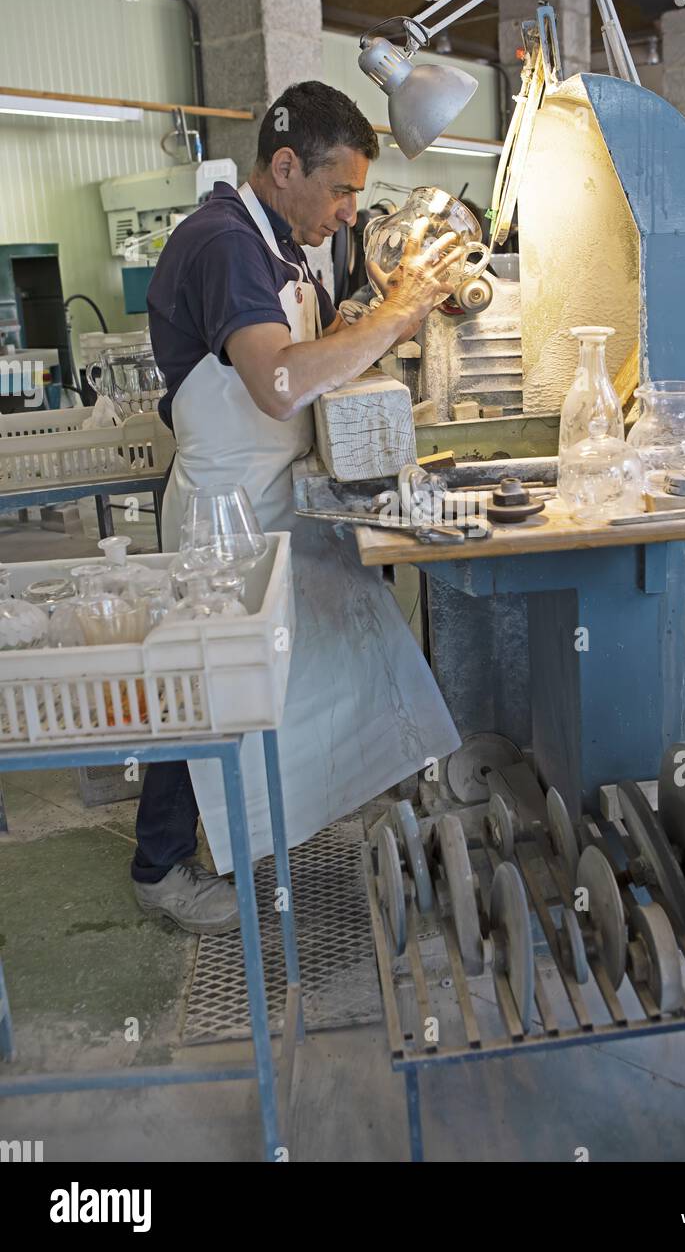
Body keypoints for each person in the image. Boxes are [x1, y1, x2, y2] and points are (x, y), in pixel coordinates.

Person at [134, 81, 463, 933]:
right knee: (207, 690)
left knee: (336, 656)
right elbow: (280, 384)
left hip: (281, 493)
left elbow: (308, 354)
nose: (352, 213)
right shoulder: (222, 244)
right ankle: (159, 869)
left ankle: (323, 813)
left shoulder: (281, 240)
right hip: (226, 511)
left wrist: (368, 310)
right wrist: (394, 316)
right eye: (342, 190)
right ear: (285, 167)